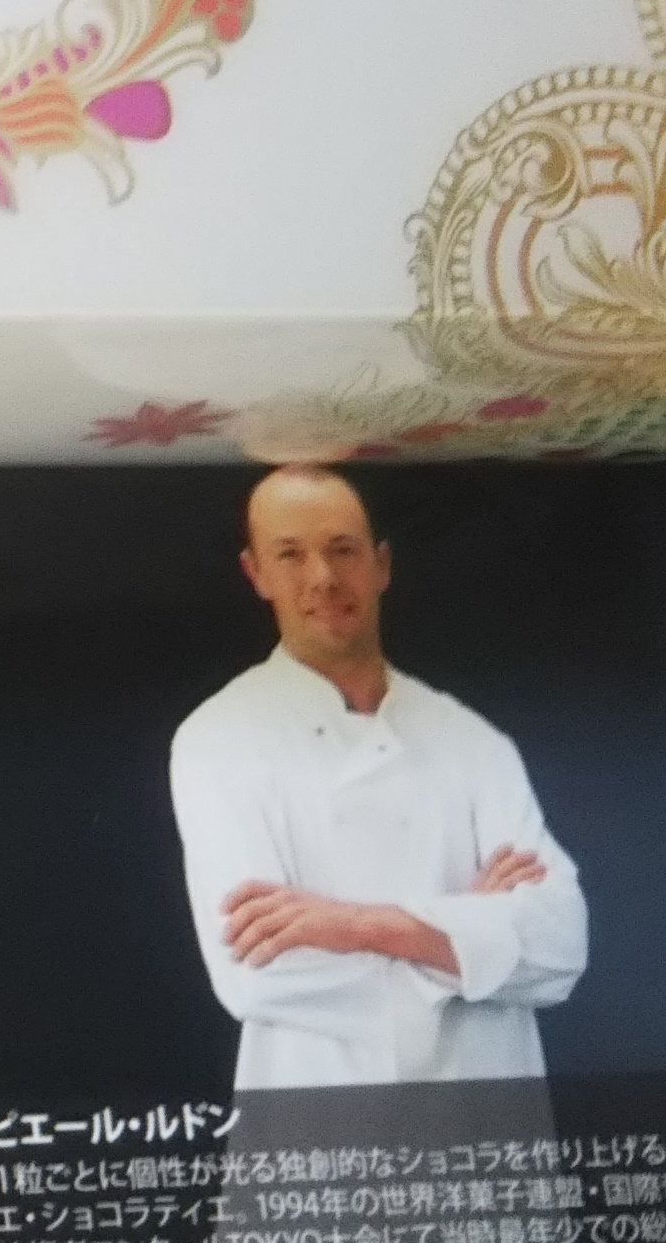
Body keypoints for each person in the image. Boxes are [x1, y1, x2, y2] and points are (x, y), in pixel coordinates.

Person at [166, 466, 587, 1087]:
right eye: (290, 554)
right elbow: (256, 973)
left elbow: (560, 945)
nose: (322, 577)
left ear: (381, 565)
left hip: (492, 1110)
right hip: (319, 1114)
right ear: (257, 574)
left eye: (343, 549)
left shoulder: (471, 739)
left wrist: (356, 925)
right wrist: (473, 935)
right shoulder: (217, 739)